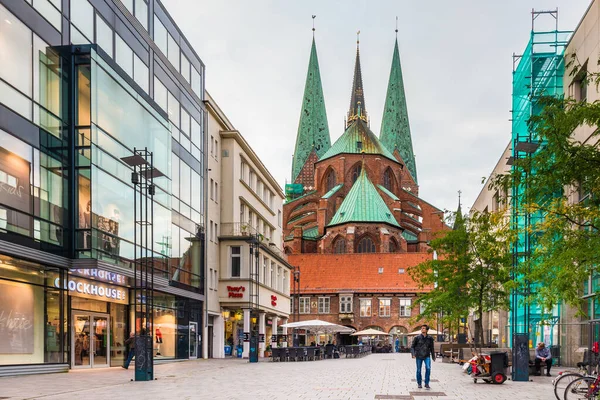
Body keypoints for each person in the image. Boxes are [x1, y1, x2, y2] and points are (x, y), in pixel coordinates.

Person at [411, 324, 436, 390]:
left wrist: (433, 356)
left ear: (427, 330)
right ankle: (419, 383)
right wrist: (413, 354)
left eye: (424, 328)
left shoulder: (430, 338)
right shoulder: (417, 338)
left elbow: (432, 348)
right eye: (422, 328)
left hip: (427, 356)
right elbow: (412, 346)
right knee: (419, 370)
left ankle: (426, 383)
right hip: (419, 356)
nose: (422, 329)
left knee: (428, 368)